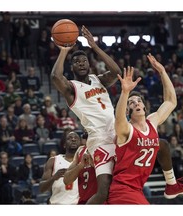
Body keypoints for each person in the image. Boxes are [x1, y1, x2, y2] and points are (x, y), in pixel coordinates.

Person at [107, 55, 183, 204]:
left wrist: (162, 72)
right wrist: (125, 92)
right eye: (131, 103)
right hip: (122, 189)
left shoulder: (152, 122)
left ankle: (172, 185)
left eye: (139, 101)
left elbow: (170, 101)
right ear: (128, 111)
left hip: (136, 189)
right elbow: (119, 118)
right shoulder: (125, 130)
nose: (136, 103)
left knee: (162, 144)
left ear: (144, 106)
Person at [51, 25, 121, 204]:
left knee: (120, 185)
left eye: (84, 60)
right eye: (76, 62)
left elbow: (117, 72)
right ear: (72, 66)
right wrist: (64, 51)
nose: (81, 63)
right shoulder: (72, 88)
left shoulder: (100, 80)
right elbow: (55, 77)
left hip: (117, 133)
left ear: (89, 64)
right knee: (104, 190)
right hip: (98, 138)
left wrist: (95, 47)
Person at [39, 131, 81, 204]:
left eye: (76, 138)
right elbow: (42, 188)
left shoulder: (84, 161)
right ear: (64, 145)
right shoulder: (53, 161)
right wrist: (53, 178)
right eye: (69, 138)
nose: (73, 139)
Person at [63, 133, 97, 204]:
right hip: (83, 201)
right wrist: (80, 165)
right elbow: (66, 180)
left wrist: (93, 163)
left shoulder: (103, 148)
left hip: (99, 200)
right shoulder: (80, 150)